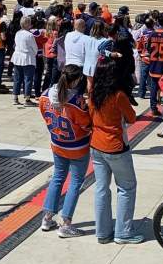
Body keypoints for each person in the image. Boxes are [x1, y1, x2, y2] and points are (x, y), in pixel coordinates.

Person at [88, 59, 143, 244]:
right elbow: (132, 117)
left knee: (101, 189)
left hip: (96, 145)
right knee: (127, 188)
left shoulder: (93, 93)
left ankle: (102, 232)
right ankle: (123, 232)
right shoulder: (118, 95)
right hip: (116, 146)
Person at [39, 65, 93, 238]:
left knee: (58, 177)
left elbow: (44, 115)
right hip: (78, 145)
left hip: (57, 142)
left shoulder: (45, 95)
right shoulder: (76, 101)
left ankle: (47, 218)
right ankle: (66, 223)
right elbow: (86, 123)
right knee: (75, 182)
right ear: (76, 80)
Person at [11, 15, 39, 105]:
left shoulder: (18, 33)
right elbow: (35, 48)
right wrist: (34, 54)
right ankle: (27, 98)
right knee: (28, 79)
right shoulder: (30, 35)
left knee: (17, 78)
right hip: (28, 58)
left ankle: (15, 97)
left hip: (18, 57)